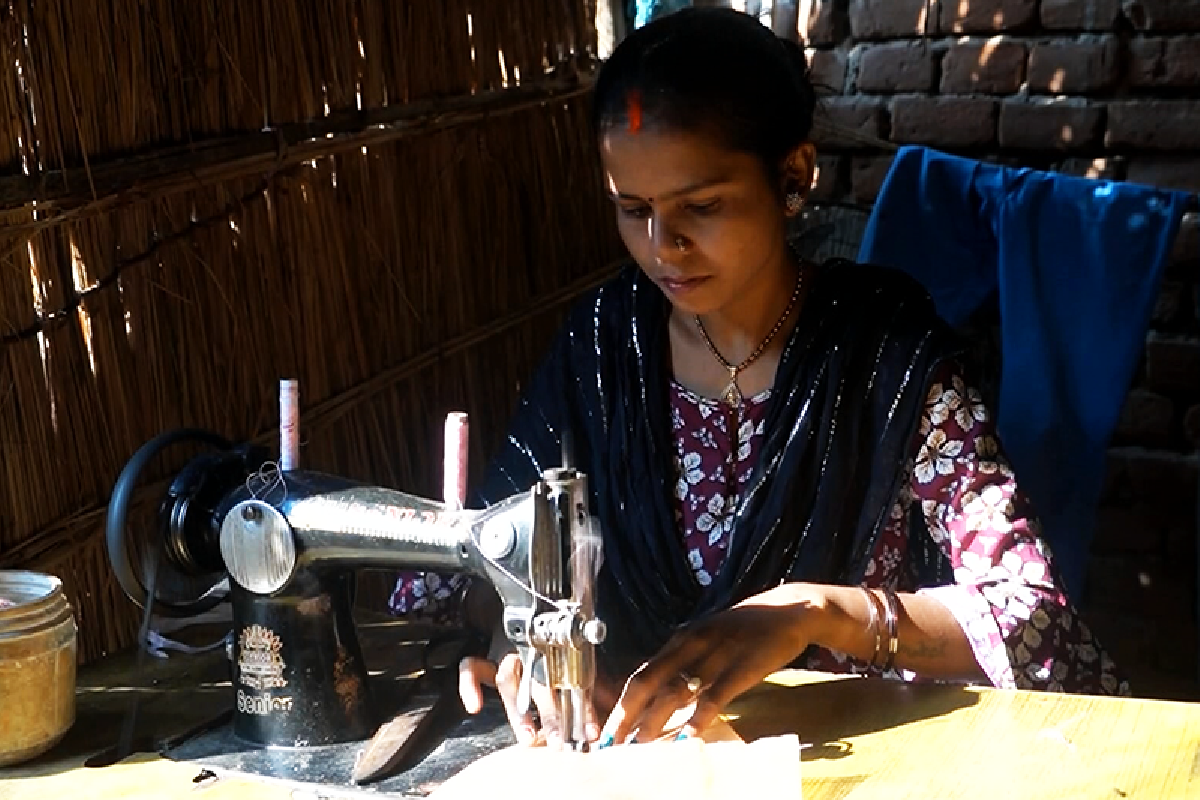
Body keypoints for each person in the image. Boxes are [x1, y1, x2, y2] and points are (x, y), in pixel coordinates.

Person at [390, 7, 1129, 750]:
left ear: (794, 175)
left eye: (701, 207)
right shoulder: (603, 347)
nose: (662, 245)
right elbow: (464, 571)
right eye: (631, 209)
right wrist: (499, 648)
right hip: (653, 764)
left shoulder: (883, 357)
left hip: (873, 760)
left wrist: (816, 613)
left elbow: (1035, 617)